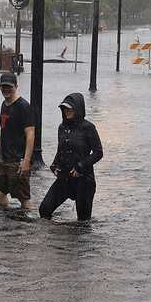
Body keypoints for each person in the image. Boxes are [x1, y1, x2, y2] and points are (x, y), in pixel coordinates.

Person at [39, 93, 104, 221]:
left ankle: (76, 241)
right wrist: (54, 165)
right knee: (44, 209)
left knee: (83, 223)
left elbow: (98, 153)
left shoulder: (88, 128)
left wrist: (80, 166)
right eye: (64, 109)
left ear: (78, 109)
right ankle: (54, 239)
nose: (66, 111)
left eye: (70, 109)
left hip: (84, 181)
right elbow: (61, 150)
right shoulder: (62, 127)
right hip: (65, 178)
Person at [0, 72, 35, 210]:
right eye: (3, 87)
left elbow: (30, 134)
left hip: (18, 160)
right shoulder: (4, 105)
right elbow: (3, 131)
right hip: (3, 158)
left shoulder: (24, 106)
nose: (6, 89)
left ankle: (28, 226)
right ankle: (8, 222)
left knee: (23, 198)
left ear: (16, 86)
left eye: (9, 86)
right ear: (0, 87)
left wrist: (26, 161)